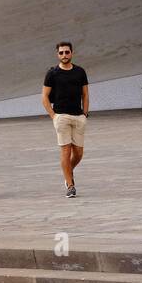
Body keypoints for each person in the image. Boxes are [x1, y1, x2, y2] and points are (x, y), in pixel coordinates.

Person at [42, 41, 89, 198]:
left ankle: (67, 171)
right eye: (61, 52)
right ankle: (70, 185)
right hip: (61, 116)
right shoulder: (52, 73)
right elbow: (44, 97)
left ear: (72, 53)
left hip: (78, 116)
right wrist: (53, 116)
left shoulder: (80, 72)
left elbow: (85, 94)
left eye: (67, 52)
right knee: (65, 151)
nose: (64, 55)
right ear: (57, 54)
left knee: (79, 153)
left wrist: (85, 113)